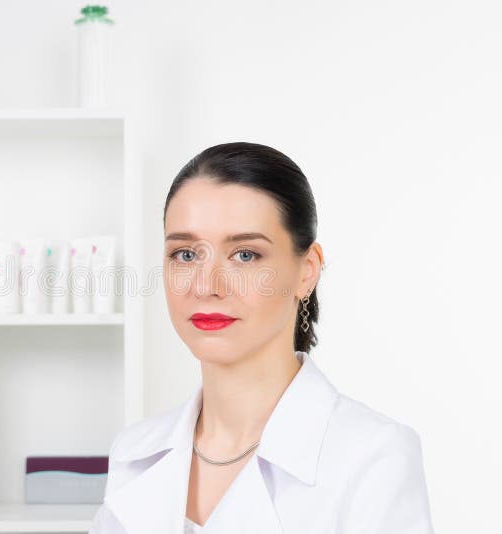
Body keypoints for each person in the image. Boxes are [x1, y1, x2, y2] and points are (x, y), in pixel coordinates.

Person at [89, 142, 434, 533]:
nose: (206, 285)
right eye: (185, 254)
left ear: (306, 271)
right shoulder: (135, 454)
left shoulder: (373, 457)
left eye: (245, 255)